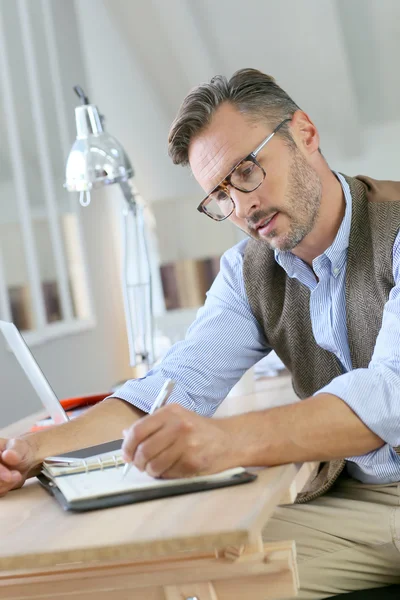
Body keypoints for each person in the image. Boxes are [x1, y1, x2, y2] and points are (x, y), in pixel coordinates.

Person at [1, 68, 400, 598]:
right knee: (164, 569)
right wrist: (30, 451)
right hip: (360, 495)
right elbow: (175, 384)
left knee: (206, 584)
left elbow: (390, 395)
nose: (242, 206)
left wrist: (226, 442)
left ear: (304, 133)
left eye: (247, 171)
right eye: (219, 195)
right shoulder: (249, 270)